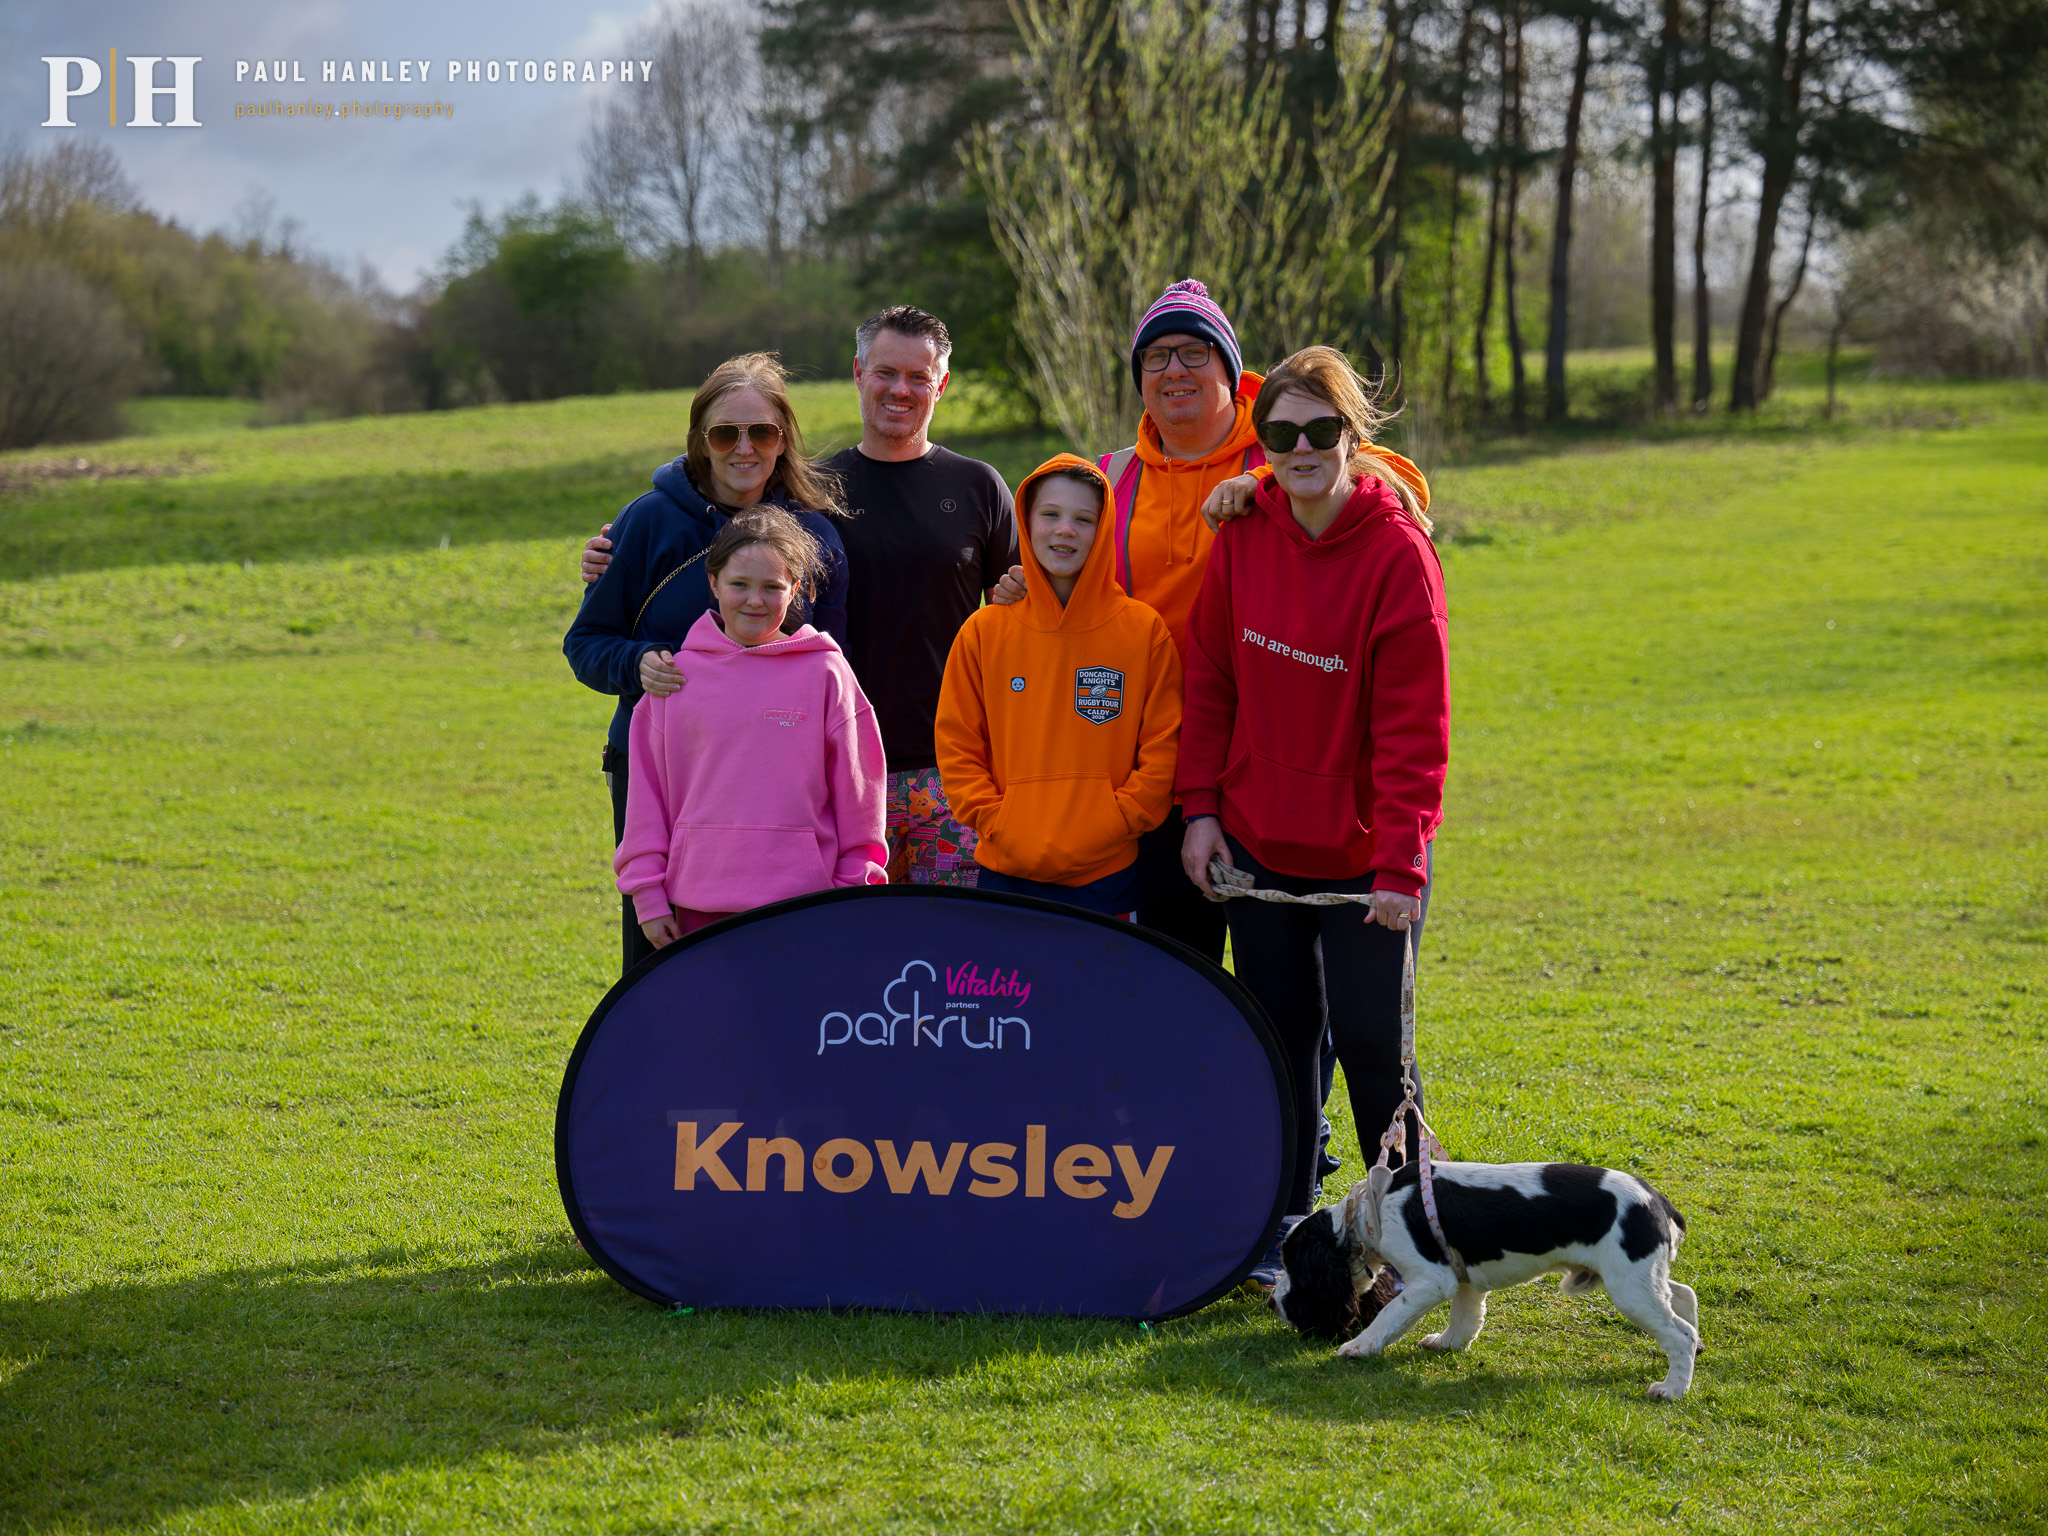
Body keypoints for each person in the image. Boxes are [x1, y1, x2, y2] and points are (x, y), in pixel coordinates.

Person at [1174, 345, 1447, 1282]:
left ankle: (1417, 1232)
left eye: (1318, 430)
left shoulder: (1398, 555)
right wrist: (1201, 811)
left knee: (1374, 1046)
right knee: (1281, 1043)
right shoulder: (1244, 531)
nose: (1299, 449)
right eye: (1278, 433)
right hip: (1258, 843)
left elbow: (1417, 728)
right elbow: (1208, 682)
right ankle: (1290, 1233)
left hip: (1366, 858)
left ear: (1350, 435)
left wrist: (1403, 867)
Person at [583, 307, 1017, 888]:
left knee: (946, 950)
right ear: (859, 373)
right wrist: (616, 583)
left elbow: (1017, 615)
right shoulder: (800, 498)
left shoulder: (962, 489)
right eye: (886, 371)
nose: (900, 389)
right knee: (807, 950)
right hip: (783, 767)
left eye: (919, 376)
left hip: (937, 765)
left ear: (941, 383)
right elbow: (601, 631)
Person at [993, 278, 1265, 964]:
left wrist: (1263, 482)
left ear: (1231, 369)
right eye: (1156, 356)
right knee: (1176, 970)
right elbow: (1074, 595)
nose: (1174, 369)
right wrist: (1029, 591)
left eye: (1195, 352)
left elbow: (1387, 479)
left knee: (1286, 991)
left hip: (1268, 757)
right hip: (1158, 767)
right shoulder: (1109, 479)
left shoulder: (1286, 452)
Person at [565, 352, 850, 975]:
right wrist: (639, 664)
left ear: (784, 440)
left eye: (762, 432)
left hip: (778, 787)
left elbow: (835, 670)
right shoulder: (647, 522)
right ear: (701, 441)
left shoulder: (817, 536)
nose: (743, 448)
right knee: (661, 960)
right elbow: (586, 644)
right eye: (725, 433)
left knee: (779, 969)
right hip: (660, 774)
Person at [616, 510, 886, 945]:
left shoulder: (826, 673)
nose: (754, 601)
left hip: (806, 908)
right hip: (693, 909)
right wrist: (648, 895)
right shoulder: (676, 677)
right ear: (713, 583)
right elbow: (647, 800)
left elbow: (861, 798)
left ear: (795, 589)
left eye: (772, 587)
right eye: (739, 584)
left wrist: (852, 892)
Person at [934, 455, 1182, 918]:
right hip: (1005, 870)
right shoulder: (985, 631)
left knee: (1102, 993)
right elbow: (958, 743)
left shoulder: (1141, 630)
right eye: (1050, 514)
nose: (1065, 530)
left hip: (1106, 876)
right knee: (1005, 991)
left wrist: (1121, 819)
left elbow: (1163, 746)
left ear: (1104, 528)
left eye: (1083, 519)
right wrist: (995, 819)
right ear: (1026, 524)